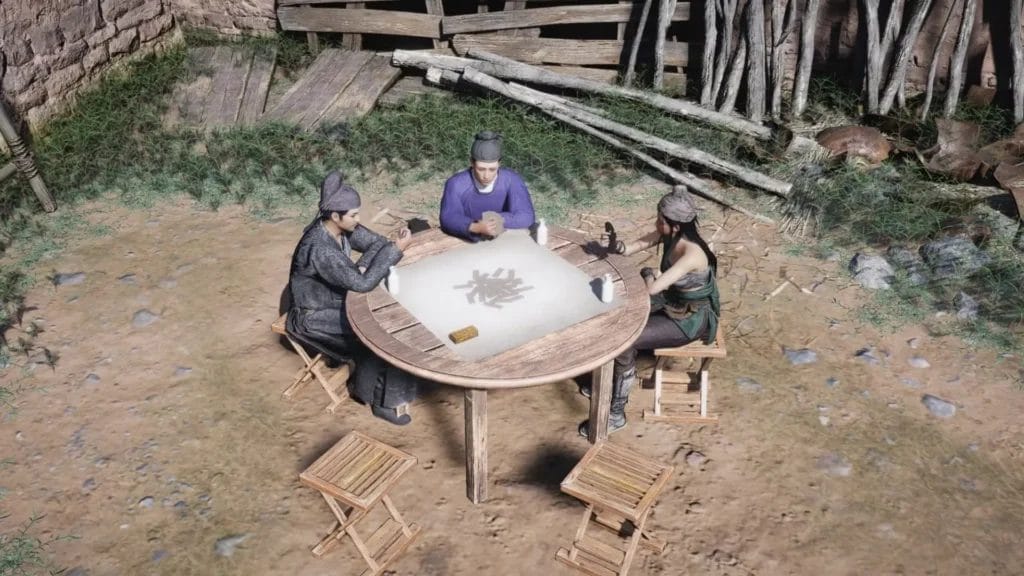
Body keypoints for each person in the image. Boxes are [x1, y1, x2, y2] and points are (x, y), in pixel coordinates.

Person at [578, 186, 720, 436]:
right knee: (615, 315)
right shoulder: (669, 233)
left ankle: (616, 412)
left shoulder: (692, 254)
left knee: (626, 340)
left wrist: (647, 273)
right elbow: (631, 248)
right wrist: (613, 244)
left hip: (690, 319)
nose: (656, 224)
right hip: (671, 302)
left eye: (659, 220)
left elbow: (652, 288)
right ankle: (607, 381)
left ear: (675, 225)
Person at [286, 170, 419, 425]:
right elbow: (364, 284)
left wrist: (360, 269)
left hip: (340, 297)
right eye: (354, 215)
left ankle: (366, 385)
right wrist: (392, 252)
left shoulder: (341, 228)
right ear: (335, 216)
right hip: (313, 315)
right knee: (385, 337)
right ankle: (382, 401)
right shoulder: (320, 248)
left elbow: (377, 243)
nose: (358, 219)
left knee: (394, 319)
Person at [439, 131, 536, 241]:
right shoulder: (456, 184)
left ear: (499, 163)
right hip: (468, 241)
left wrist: (495, 220)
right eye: (481, 169)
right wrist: (475, 227)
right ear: (472, 162)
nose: (486, 175)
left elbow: (526, 216)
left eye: (492, 169)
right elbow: (448, 218)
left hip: (503, 240)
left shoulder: (511, 180)